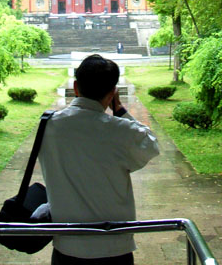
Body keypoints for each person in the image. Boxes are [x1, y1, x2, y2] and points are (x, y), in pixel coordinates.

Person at [38, 54, 159, 264]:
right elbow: (150, 145)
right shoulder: (119, 131)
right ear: (113, 92)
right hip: (113, 247)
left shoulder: (48, 126)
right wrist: (119, 109)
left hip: (67, 244)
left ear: (76, 87)